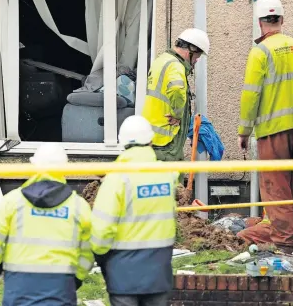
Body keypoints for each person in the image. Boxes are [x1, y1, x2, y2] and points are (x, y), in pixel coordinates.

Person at [236, 0, 293, 254]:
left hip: (273, 135)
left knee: (278, 191)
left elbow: (251, 94)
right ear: (282, 20)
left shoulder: (260, 52)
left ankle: (286, 247)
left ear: (260, 23)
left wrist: (244, 130)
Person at [0, 143, 94, 306]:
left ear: (34, 165)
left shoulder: (13, 200)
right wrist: (78, 277)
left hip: (19, 283)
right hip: (61, 283)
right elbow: (89, 249)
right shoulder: (78, 206)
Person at [90, 115, 178, 306]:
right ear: (151, 141)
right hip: (159, 269)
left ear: (122, 143)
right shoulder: (166, 175)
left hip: (123, 272)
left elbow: (100, 230)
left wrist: (101, 256)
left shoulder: (117, 179)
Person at [142, 28, 210, 166]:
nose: (196, 61)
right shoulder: (175, 66)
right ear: (190, 50)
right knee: (171, 183)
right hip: (166, 141)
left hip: (152, 137)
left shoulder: (161, 60)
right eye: (197, 56)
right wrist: (177, 115)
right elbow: (177, 90)